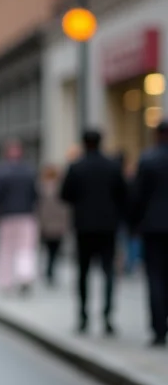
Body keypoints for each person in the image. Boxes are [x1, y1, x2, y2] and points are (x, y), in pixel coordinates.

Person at [61, 129, 127, 335]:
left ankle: (83, 315)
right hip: (108, 227)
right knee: (108, 272)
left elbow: (65, 194)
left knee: (83, 272)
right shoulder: (113, 166)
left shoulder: (76, 167)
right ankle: (107, 315)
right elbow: (124, 194)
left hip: (84, 227)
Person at [130, 120, 168, 347]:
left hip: (153, 227)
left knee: (155, 276)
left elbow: (137, 196)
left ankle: (158, 328)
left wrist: (134, 223)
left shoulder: (148, 159)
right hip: (153, 226)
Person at [0, 139, 38, 294]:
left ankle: (6, 281)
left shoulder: (1, 171)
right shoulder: (29, 171)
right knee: (26, 248)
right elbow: (35, 194)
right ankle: (25, 277)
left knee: (6, 250)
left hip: (6, 215)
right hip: (26, 214)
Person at [37, 164, 70, 287]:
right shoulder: (59, 188)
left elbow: (39, 209)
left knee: (48, 250)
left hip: (47, 224)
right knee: (54, 251)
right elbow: (66, 209)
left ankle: (48, 271)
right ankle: (50, 271)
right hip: (57, 225)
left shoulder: (42, 188)